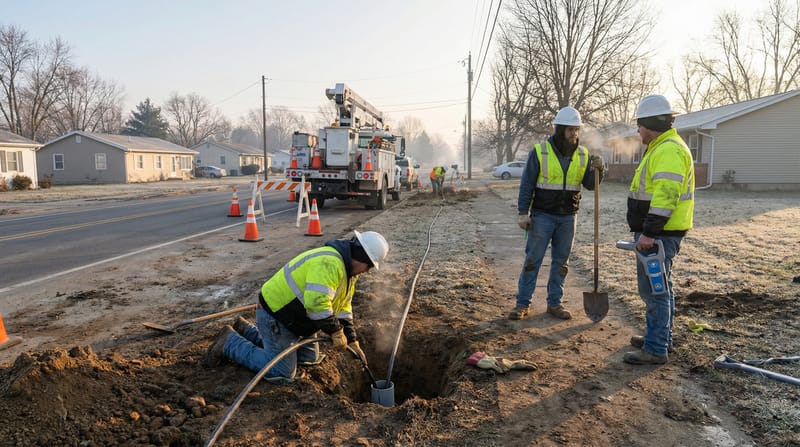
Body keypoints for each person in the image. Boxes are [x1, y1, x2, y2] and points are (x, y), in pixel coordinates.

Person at [205, 230, 389, 382]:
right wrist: (335, 332)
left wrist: (352, 340)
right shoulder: (331, 264)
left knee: (309, 359)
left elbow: (343, 308)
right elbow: (317, 305)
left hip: (296, 319)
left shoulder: (349, 274)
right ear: (361, 258)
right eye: (369, 266)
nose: (367, 271)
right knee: (282, 372)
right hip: (277, 316)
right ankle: (229, 342)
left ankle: (246, 330)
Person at [510, 106, 605, 321]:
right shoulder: (540, 151)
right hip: (542, 216)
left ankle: (555, 303)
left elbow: (591, 184)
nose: (574, 134)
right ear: (560, 129)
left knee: (561, 262)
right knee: (533, 260)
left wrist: (600, 170)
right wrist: (522, 212)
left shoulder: (583, 154)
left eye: (577, 130)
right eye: (570, 130)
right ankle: (522, 304)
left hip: (568, 217)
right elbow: (527, 185)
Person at [624, 95, 695, 365]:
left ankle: (655, 348)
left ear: (649, 123)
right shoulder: (663, 146)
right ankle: (660, 337)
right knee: (662, 287)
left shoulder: (667, 150)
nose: (638, 131)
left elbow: (666, 196)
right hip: (662, 233)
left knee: (654, 290)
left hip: (659, 235)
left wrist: (649, 234)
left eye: (639, 125)